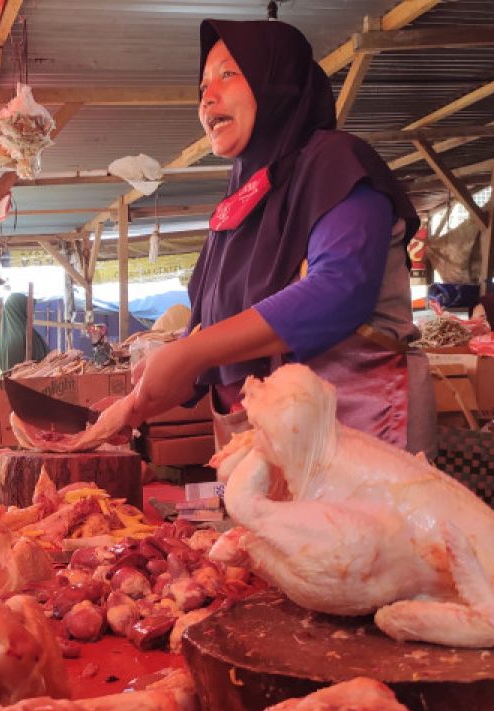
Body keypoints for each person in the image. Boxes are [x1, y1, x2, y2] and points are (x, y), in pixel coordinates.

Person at [127, 20, 434, 454]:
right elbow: (214, 329)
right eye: (202, 86)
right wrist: (137, 400)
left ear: (277, 81)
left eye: (228, 74)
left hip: (358, 442)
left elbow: (338, 291)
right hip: (271, 449)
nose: (207, 97)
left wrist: (190, 354)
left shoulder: (336, 162)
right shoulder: (241, 199)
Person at [0, 292, 48, 372]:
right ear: (20, 310)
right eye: (28, 310)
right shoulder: (25, 335)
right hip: (31, 381)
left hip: (7, 382)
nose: (32, 314)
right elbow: (44, 360)